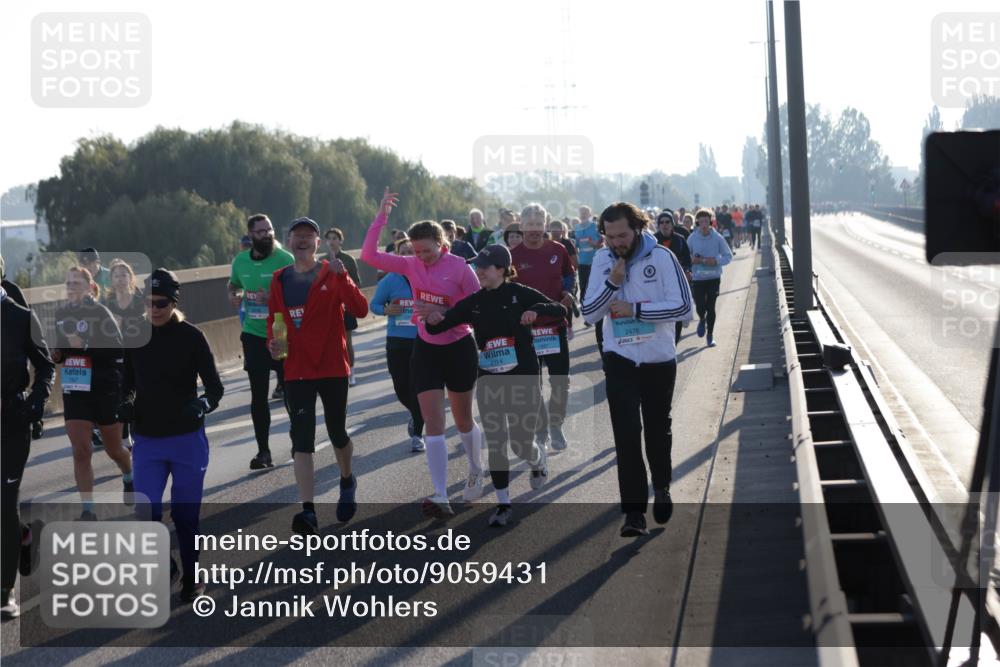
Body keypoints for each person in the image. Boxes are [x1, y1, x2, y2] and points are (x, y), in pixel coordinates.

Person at [361, 188, 483, 518]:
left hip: (458, 347)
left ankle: (475, 468)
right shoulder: (410, 265)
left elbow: (477, 309)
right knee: (433, 421)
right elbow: (369, 255)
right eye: (417, 252)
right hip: (426, 348)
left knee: (462, 419)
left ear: (442, 245)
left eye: (428, 251)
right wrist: (381, 216)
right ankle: (441, 494)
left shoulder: (459, 267)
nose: (422, 257)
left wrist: (443, 309)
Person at [426, 245, 564, 526]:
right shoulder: (474, 301)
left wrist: (535, 311)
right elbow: (441, 325)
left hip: (523, 375)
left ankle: (537, 460)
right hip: (489, 377)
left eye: (485, 267)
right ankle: (503, 504)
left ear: (501, 269)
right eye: (478, 267)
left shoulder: (519, 293)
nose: (479, 271)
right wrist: (433, 319)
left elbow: (558, 308)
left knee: (520, 444)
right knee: (497, 440)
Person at [581, 202, 693, 537]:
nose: (616, 242)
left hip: (658, 359)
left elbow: (684, 307)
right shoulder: (602, 261)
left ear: (638, 228)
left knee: (657, 430)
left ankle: (661, 486)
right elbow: (589, 313)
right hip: (620, 359)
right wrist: (613, 284)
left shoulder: (662, 258)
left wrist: (637, 309)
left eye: (622, 235)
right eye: (610, 236)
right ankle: (633, 513)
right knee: (627, 434)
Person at [120, 269, 223, 602]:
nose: (154, 309)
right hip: (148, 439)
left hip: (186, 439)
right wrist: (125, 404)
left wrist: (202, 404)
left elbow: (215, 388)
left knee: (185, 514)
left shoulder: (192, 337)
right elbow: (126, 386)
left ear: (173, 301)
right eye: (149, 302)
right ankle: (167, 565)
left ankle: (192, 577)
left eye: (161, 302)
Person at [268, 217, 369, 534]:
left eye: (308, 236)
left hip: (332, 367)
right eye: (296, 235)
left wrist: (346, 280)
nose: (302, 240)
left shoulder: (332, 273)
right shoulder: (279, 279)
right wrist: (275, 346)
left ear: (317, 242)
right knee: (302, 439)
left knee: (337, 432)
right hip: (296, 370)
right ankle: (308, 510)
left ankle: (346, 477)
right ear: (288, 240)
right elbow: (277, 321)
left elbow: (361, 309)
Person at [53, 267, 133, 519]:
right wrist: (57, 354)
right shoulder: (61, 314)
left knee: (113, 449)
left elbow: (118, 352)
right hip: (75, 387)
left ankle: (129, 474)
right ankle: (88, 510)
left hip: (104, 387)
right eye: (68, 283)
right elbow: (62, 348)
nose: (71, 287)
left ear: (90, 287)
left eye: (77, 283)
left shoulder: (101, 313)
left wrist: (86, 346)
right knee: (81, 449)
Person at [1, 284, 54, 619]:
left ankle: (5, 591)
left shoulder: (21, 318)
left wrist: (34, 405)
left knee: (4, 502)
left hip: (10, 422)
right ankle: (23, 534)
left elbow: (46, 366)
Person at [228, 214, 294, 470]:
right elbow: (234, 286)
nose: (266, 235)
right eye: (261, 232)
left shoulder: (285, 259)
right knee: (258, 395)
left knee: (290, 390)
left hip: (281, 334)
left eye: (269, 230)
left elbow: (300, 292)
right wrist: (235, 296)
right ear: (251, 235)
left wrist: (274, 297)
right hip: (254, 334)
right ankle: (263, 451)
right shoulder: (241, 261)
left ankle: (296, 440)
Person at [510, 204, 576, 452]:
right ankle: (540, 428)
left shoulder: (558, 250)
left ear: (545, 225)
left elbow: (570, 277)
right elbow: (507, 290)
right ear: (522, 226)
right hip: (527, 329)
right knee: (531, 384)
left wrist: (569, 292)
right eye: (529, 225)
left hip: (554, 325)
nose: (534, 230)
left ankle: (556, 425)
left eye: (539, 224)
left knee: (560, 381)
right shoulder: (512, 256)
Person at [369, 237, 426, 453]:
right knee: (401, 387)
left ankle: (418, 435)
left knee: (417, 387)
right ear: (397, 255)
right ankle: (416, 412)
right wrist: (386, 310)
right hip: (396, 341)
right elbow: (373, 304)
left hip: (422, 340)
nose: (408, 254)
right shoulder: (389, 280)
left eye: (413, 250)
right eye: (404, 251)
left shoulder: (426, 275)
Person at [687, 208, 733, 348]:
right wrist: (692, 260)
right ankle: (702, 318)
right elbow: (685, 256)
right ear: (697, 223)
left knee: (711, 306)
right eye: (701, 222)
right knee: (700, 306)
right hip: (698, 278)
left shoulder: (718, 238)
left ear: (711, 222)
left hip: (713, 277)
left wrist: (716, 261)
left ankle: (710, 336)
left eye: (706, 221)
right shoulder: (692, 238)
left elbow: (728, 256)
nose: (704, 224)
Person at [324, 228, 363, 387]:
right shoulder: (322, 261)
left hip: (346, 308)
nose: (332, 241)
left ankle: (351, 373)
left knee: (346, 341)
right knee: (331, 343)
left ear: (341, 241)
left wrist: (347, 297)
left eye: (335, 238)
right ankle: (335, 373)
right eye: (329, 239)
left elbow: (357, 283)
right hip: (329, 309)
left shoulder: (348, 259)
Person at [655, 211, 693, 345]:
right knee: (663, 315)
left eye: (667, 222)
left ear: (672, 224)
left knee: (676, 313)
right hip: (658, 284)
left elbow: (688, 260)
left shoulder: (680, 239)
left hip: (677, 281)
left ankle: (674, 343)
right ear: (658, 225)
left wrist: (688, 270)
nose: (664, 225)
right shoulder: (653, 241)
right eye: (662, 222)